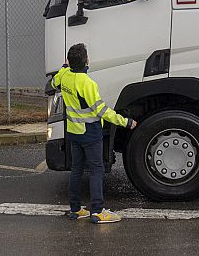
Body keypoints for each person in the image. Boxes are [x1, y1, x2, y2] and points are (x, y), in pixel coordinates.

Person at [51, 43, 137, 224]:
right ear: (86, 61)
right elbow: (102, 111)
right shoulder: (87, 83)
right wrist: (126, 122)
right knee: (96, 170)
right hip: (90, 133)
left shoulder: (64, 76)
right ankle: (97, 211)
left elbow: (53, 82)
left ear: (69, 61)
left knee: (76, 170)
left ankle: (76, 209)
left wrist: (64, 68)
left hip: (73, 132)